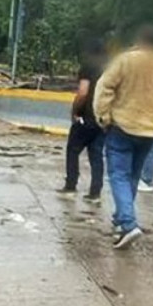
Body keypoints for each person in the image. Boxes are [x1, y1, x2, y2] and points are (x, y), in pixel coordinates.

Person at [93, 26, 153, 249]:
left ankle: (128, 224)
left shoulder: (125, 60)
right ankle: (120, 221)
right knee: (133, 177)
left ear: (138, 41)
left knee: (118, 175)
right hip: (150, 132)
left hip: (122, 127)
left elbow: (104, 86)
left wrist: (103, 117)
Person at [58, 40, 107, 203]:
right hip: (103, 119)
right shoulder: (110, 69)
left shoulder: (88, 67)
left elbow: (83, 92)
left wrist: (75, 111)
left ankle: (71, 186)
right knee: (97, 154)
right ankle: (95, 192)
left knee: (73, 149)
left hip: (86, 117)